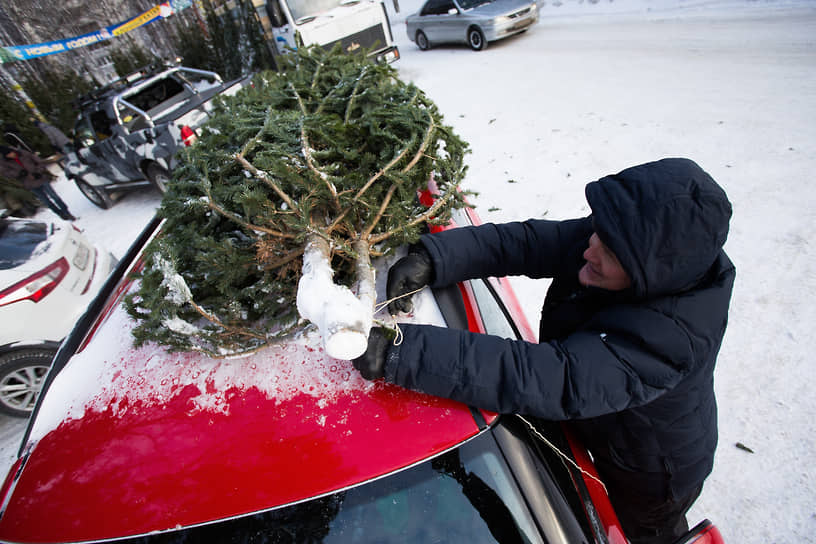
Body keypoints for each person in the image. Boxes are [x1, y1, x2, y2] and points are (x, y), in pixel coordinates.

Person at [353, 158, 735, 544]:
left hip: (647, 472)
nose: (591, 249)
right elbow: (528, 244)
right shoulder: (623, 243)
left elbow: (555, 377)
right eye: (599, 229)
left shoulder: (671, 337)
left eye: (612, 252)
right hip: (601, 419)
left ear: (652, 276)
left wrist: (400, 350)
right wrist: (436, 257)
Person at [0, 145, 76, 221]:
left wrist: (39, 172)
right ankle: (60, 214)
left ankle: (67, 212)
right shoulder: (4, 162)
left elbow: (39, 162)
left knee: (54, 196)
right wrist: (19, 173)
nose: (11, 155)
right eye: (8, 155)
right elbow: (6, 173)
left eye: (10, 153)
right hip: (29, 183)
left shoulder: (23, 153)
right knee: (46, 201)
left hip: (40, 178)